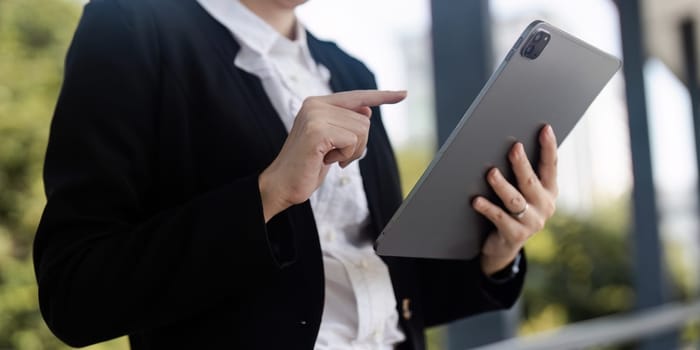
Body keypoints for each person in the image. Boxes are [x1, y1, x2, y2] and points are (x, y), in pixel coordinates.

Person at [33, 0, 559, 349]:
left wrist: (495, 256)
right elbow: (75, 294)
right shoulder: (131, 25)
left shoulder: (350, 71)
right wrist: (269, 194)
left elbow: (391, 295)